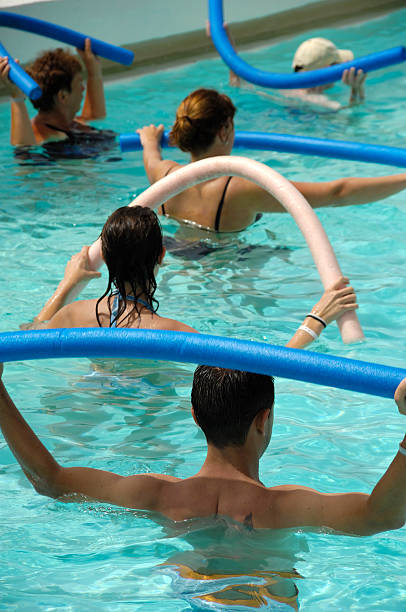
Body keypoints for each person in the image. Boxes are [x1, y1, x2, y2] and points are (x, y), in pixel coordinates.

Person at [1, 361, 406, 536]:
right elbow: (382, 515)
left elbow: (49, 481)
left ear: (194, 415)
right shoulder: (287, 508)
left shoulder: (154, 495)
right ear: (264, 420)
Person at [27, 205, 358, 351]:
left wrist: (67, 284)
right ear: (161, 256)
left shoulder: (75, 315)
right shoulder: (176, 335)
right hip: (155, 424)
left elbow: (26, 340)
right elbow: (257, 374)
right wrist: (317, 319)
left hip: (87, 403)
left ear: (107, 259)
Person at [137, 88, 406, 233]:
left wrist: (149, 140)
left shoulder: (163, 174)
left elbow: (151, 154)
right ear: (224, 130)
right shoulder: (240, 189)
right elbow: (338, 192)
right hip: (231, 272)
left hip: (180, 258)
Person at [0, 39, 112, 150]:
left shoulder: (69, 122)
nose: (83, 88)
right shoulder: (40, 135)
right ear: (63, 96)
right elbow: (23, 154)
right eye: (79, 83)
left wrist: (94, 72)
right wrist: (16, 96)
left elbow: (95, 117)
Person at [286, 37, 366, 110]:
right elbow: (353, 119)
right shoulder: (324, 103)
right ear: (328, 70)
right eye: (337, 65)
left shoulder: (285, 91)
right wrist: (356, 88)